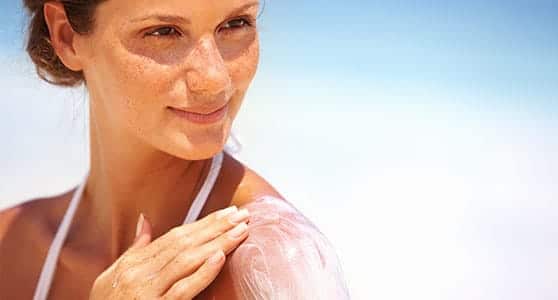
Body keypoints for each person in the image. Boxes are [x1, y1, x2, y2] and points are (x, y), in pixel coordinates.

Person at [0, 0, 349, 299]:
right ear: (67, 37)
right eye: (164, 31)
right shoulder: (10, 245)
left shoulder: (276, 261)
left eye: (236, 23)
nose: (215, 79)